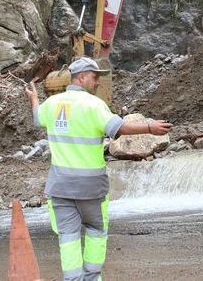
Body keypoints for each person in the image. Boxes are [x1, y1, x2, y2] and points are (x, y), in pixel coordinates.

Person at [25, 57, 172, 281]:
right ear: (82, 78)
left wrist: (34, 99)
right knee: (95, 232)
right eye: (94, 78)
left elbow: (37, 118)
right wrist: (150, 127)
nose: (97, 83)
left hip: (60, 188)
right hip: (91, 189)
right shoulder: (93, 105)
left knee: (68, 237)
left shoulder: (53, 104)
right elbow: (119, 128)